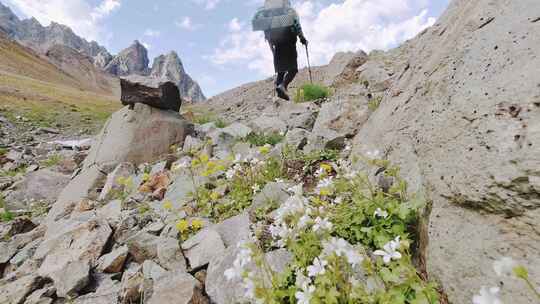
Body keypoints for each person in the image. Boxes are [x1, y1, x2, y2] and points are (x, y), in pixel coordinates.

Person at [263, 1, 308, 101]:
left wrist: (272, 49)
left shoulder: (270, 15)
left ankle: (280, 96)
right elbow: (297, 25)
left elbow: (267, 34)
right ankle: (282, 86)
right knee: (293, 69)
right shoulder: (290, 11)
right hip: (289, 42)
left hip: (277, 44)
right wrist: (302, 38)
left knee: (281, 71)